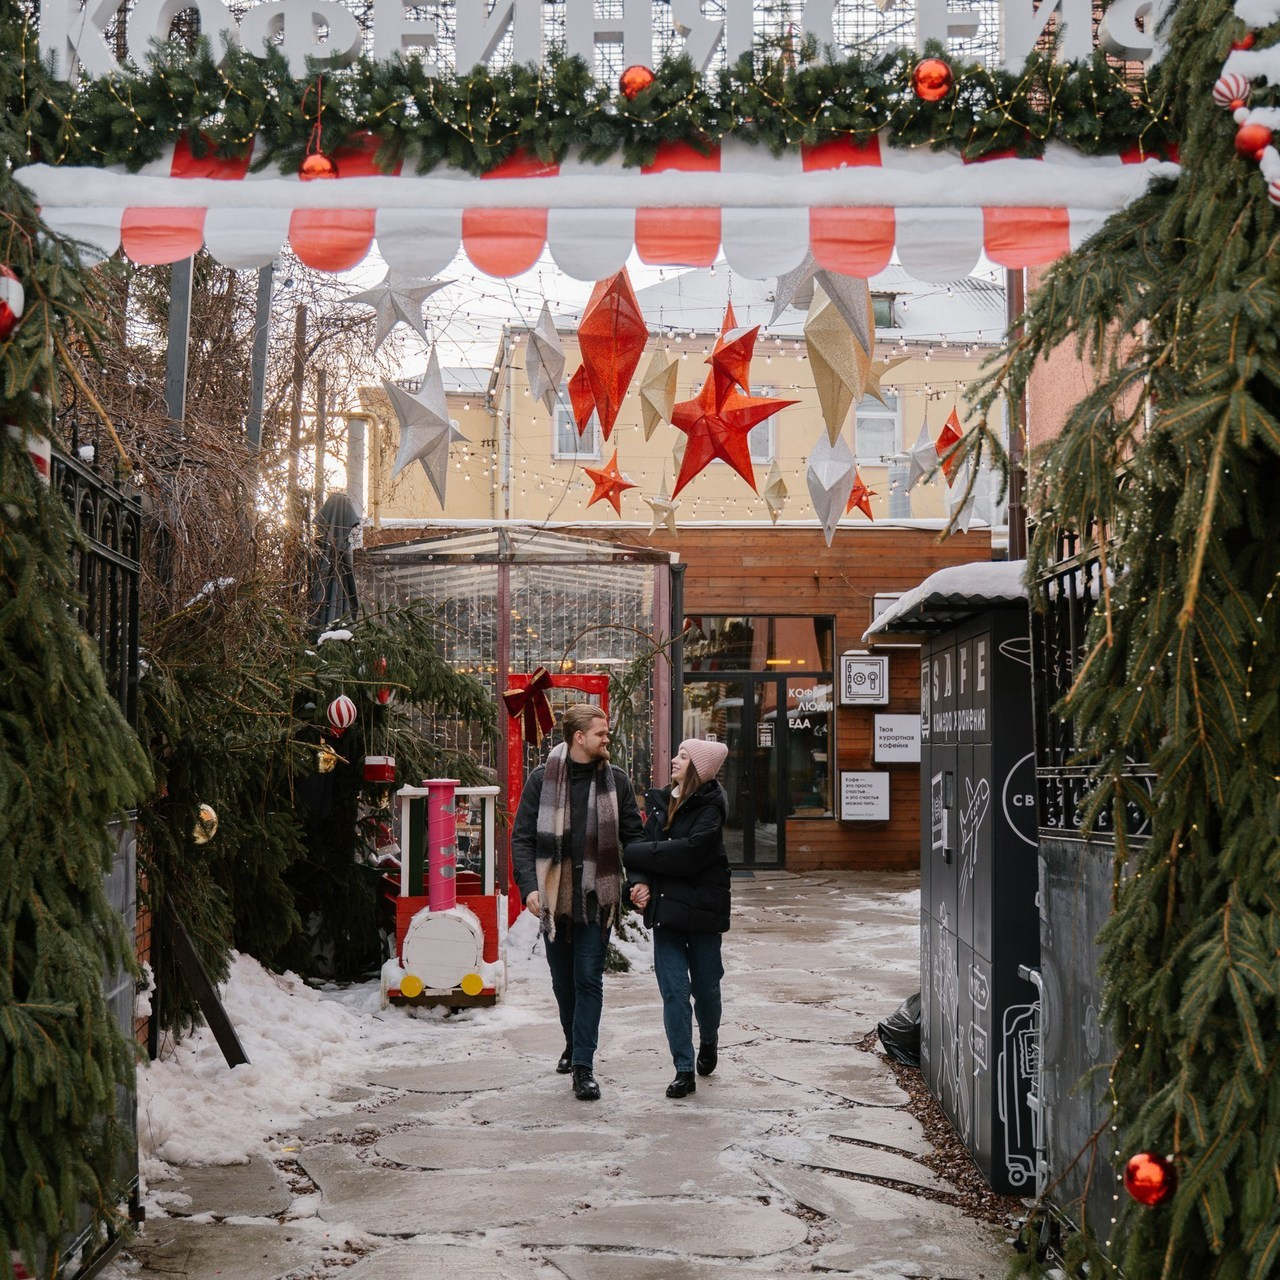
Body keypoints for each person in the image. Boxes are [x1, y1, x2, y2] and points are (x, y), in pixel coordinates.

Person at [511, 703, 645, 1101]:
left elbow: (634, 838)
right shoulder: (542, 779)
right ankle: (573, 1042)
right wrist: (530, 887)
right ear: (579, 737)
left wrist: (639, 879)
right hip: (554, 897)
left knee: (588, 978)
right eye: (601, 733)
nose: (607, 739)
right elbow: (523, 838)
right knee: (562, 981)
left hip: (596, 897)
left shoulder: (616, 780)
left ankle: (583, 1065)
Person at [624, 737, 731, 1100]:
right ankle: (683, 1069)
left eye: (683, 757)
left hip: (703, 914)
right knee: (674, 991)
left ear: (698, 769)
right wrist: (639, 883)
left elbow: (688, 855)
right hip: (667, 912)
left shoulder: (711, 809)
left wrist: (637, 855)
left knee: (706, 989)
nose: (674, 760)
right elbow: (648, 856)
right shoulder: (660, 805)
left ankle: (709, 1038)